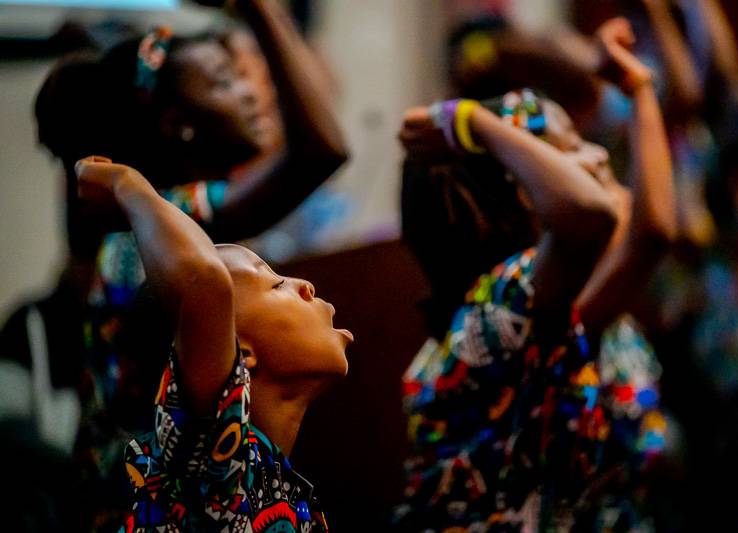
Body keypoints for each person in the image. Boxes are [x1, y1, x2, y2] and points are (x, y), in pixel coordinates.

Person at [28, 0, 348, 528]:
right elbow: (319, 151)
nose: (250, 94)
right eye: (225, 82)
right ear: (180, 124)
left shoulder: (149, 223)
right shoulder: (160, 224)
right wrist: (262, 8)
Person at [394, 17, 674, 530]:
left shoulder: (565, 302)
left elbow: (638, 226)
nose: (595, 155)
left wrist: (637, 88)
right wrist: (471, 122)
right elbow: (634, 228)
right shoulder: (494, 316)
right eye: (569, 153)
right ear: (533, 193)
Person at [74, 155, 352, 531]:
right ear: (238, 351)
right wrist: (124, 182)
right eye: (276, 284)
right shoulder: (202, 462)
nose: (305, 286)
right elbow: (203, 282)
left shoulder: (275, 484)